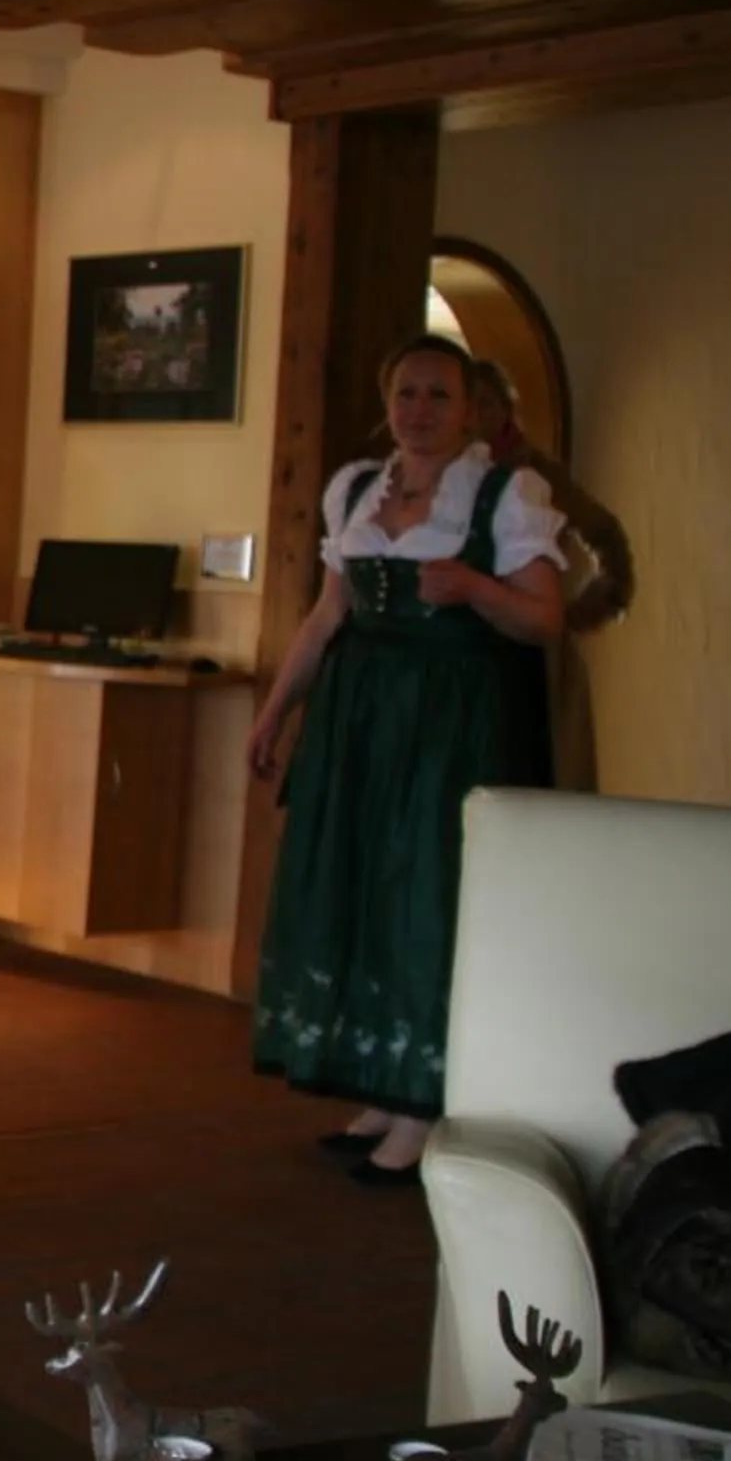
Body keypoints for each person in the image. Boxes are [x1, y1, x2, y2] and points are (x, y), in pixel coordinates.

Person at [248, 334, 565, 1186]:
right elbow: (325, 617)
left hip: (451, 721)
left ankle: (425, 1105)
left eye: (439, 397)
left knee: (427, 890)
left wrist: (474, 589)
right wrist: (276, 713)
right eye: (407, 396)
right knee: (361, 881)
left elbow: (545, 619)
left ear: (472, 411)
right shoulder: (355, 488)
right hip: (360, 718)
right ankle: (385, 1087)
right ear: (388, 404)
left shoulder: (503, 495)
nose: (420, 413)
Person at [469, 357, 632, 792]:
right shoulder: (437, 472)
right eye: (466, 403)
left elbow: (604, 532)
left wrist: (588, 608)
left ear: (505, 410)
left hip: (527, 647)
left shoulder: (533, 474)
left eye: (485, 403)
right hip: (462, 645)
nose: (475, 415)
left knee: (530, 767)